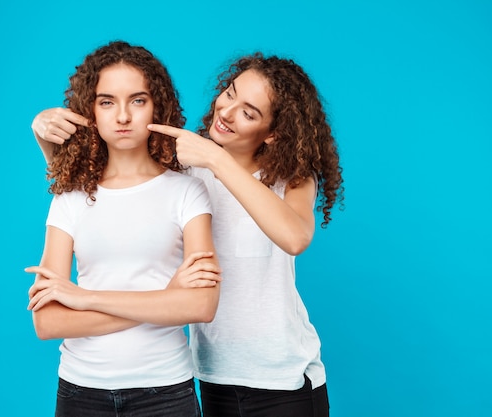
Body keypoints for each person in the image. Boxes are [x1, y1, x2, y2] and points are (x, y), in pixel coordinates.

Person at [32, 52, 343, 417]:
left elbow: (295, 237)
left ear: (274, 133)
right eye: (230, 92)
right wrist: (42, 131)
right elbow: (102, 191)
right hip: (212, 373)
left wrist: (215, 159)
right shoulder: (186, 170)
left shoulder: (292, 176)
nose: (226, 112)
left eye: (249, 112)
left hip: (282, 378)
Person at [25, 40, 221, 417]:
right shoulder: (69, 197)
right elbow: (47, 321)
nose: (123, 116)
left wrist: (86, 298)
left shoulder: (187, 191)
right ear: (90, 111)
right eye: (107, 102)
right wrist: (165, 300)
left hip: (165, 391)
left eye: (138, 100)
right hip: (81, 392)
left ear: (156, 106)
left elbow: (201, 304)